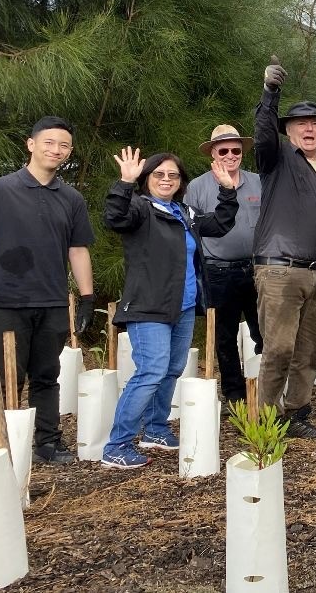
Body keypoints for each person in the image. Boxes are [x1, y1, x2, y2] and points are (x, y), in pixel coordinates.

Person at [101, 147, 237, 469]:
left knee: (172, 369)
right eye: (158, 174)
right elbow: (115, 217)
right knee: (150, 371)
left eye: (172, 175)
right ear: (147, 178)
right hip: (149, 306)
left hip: (184, 306)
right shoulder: (139, 208)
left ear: (180, 181)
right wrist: (125, 183)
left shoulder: (183, 212)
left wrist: (227, 190)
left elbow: (220, 224)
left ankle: (156, 429)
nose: (166, 179)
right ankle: (117, 445)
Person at [253, 59, 316, 441]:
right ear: (290, 131)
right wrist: (270, 94)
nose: (310, 128)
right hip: (279, 268)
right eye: (301, 124)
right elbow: (263, 133)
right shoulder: (276, 159)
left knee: (313, 348)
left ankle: (295, 415)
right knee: (278, 349)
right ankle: (265, 421)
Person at [0, 116, 94, 465]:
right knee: (3, 379)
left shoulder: (71, 198)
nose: (56, 150)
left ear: (69, 152)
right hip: (4, 301)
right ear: (31, 144)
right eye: (48, 142)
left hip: (51, 302)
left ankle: (48, 443)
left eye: (63, 145)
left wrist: (87, 297)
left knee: (47, 376)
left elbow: (77, 249)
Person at [184, 125, 263, 407]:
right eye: (224, 150)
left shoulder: (258, 182)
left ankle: (265, 392)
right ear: (213, 154)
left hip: (256, 269)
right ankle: (234, 395)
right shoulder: (197, 186)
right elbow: (188, 231)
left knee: (264, 332)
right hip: (217, 271)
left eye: (236, 150)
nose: (231, 155)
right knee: (225, 337)